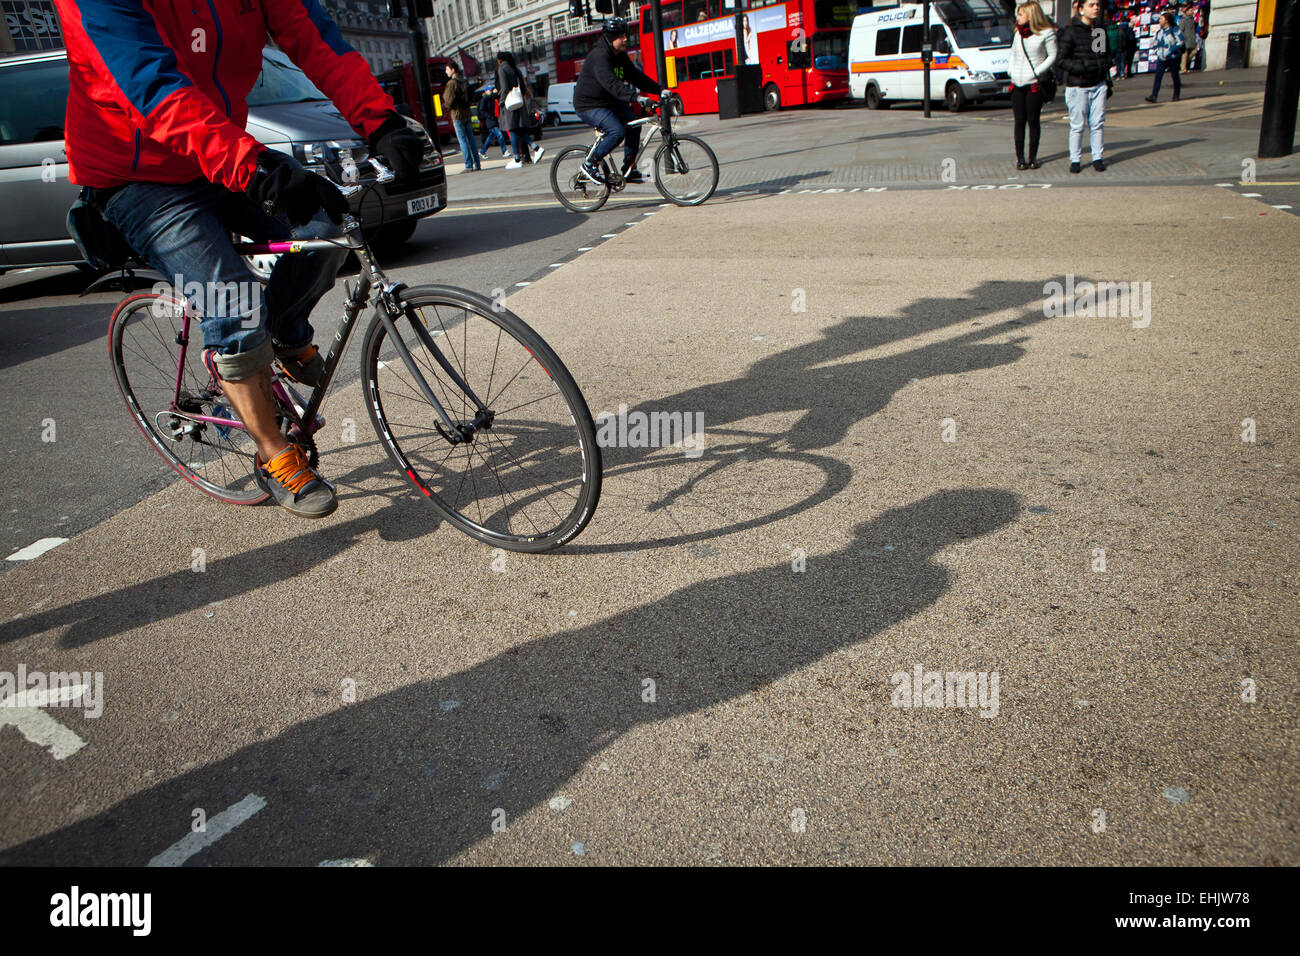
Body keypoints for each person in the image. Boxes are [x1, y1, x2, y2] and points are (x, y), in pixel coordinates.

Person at [54, 0, 423, 519]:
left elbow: (316, 41)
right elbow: (149, 84)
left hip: (217, 149)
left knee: (323, 230)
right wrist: (252, 165)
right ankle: (274, 453)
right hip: (136, 174)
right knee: (232, 302)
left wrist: (381, 120)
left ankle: (283, 335)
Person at [573, 18, 663, 185]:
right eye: (621, 36)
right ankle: (589, 164)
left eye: (625, 35)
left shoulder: (620, 55)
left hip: (609, 102)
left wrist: (660, 90)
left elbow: (635, 76)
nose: (625, 39)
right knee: (617, 131)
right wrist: (636, 97)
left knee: (635, 126)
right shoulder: (599, 56)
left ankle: (629, 169)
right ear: (609, 37)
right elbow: (611, 83)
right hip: (589, 105)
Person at [1058, 0, 1110, 173]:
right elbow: (1062, 59)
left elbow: (1103, 53)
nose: (1096, 7)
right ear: (1081, 9)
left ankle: (1097, 157)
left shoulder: (1099, 30)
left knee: (1097, 123)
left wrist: (1105, 69)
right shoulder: (1071, 32)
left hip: (1098, 84)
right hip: (1078, 86)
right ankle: (1075, 159)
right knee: (1078, 125)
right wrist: (1081, 68)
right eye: (1091, 5)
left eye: (1097, 4)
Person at [1008, 1, 1058, 170]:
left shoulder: (1046, 34)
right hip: (1017, 82)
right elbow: (1013, 54)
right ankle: (1020, 158)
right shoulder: (1017, 34)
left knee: (1033, 120)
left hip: (1034, 83)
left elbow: (1052, 56)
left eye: (1021, 14)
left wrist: (1036, 72)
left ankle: (1033, 157)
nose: (1018, 17)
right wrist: (1011, 72)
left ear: (1031, 16)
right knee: (1019, 121)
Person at [496, 51, 543, 169]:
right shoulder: (515, 69)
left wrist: (501, 102)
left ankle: (517, 158)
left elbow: (505, 87)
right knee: (519, 130)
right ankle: (536, 148)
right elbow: (522, 87)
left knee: (512, 129)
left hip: (510, 103)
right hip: (519, 101)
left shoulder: (502, 69)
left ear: (500, 60)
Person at [443, 62, 479, 172]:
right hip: (467, 113)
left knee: (463, 141)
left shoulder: (451, 83)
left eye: (447, 69)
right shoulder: (464, 80)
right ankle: (477, 163)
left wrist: (445, 105)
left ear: (453, 69)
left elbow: (448, 101)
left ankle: (468, 165)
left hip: (457, 114)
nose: (446, 71)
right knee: (471, 139)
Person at [1145, 12, 1183, 103]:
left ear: (1167, 20)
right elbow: (1155, 43)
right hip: (1162, 58)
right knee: (1158, 76)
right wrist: (1157, 51)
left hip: (1172, 57)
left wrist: (1171, 51)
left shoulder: (1174, 30)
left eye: (1161, 19)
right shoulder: (1159, 32)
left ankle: (1176, 95)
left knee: (1174, 76)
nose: (1159, 21)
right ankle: (1154, 96)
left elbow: (1180, 42)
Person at [478, 87, 509, 159]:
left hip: (494, 119)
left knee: (490, 138)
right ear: (486, 91)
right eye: (490, 90)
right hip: (490, 121)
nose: (491, 91)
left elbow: (497, 96)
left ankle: (482, 151)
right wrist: (489, 116)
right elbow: (481, 110)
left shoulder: (491, 98)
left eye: (491, 90)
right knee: (500, 135)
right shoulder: (484, 99)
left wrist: (497, 92)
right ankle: (504, 151)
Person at [1180, 5, 1199, 72]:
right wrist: (1182, 39)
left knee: (1193, 52)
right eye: (1191, 10)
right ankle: (1183, 69)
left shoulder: (1193, 20)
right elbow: (1181, 30)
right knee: (1185, 54)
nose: (1192, 11)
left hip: (1192, 39)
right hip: (1185, 39)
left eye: (1192, 10)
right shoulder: (1184, 20)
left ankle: (1185, 66)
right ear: (1187, 12)